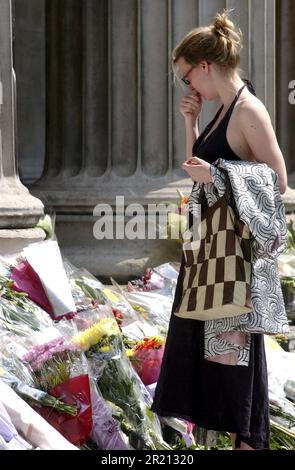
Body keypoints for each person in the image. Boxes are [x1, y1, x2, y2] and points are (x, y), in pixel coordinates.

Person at [151, 9, 288, 450]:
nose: (188, 87)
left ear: (206, 66)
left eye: (187, 77)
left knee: (236, 367)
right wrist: (190, 125)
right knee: (218, 363)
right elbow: (199, 173)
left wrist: (221, 175)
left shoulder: (249, 110)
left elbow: (279, 181)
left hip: (236, 264)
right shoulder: (221, 109)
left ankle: (249, 444)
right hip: (211, 257)